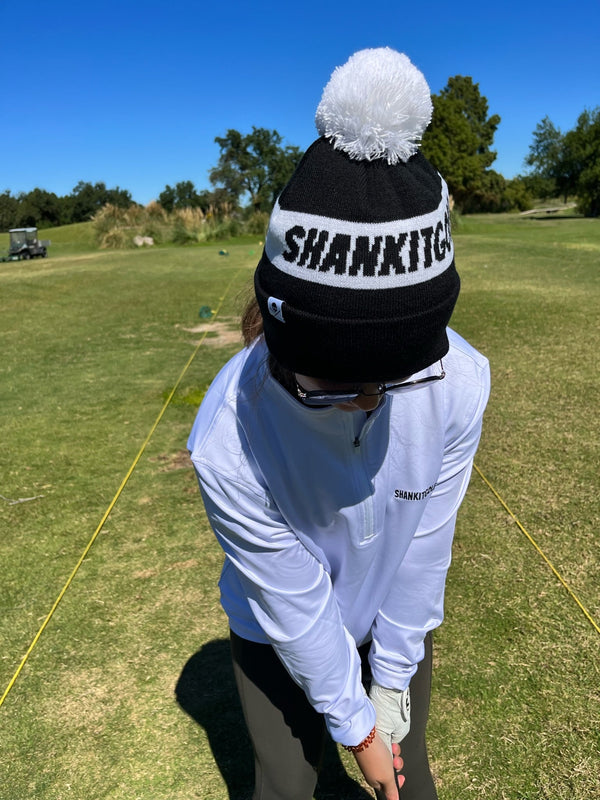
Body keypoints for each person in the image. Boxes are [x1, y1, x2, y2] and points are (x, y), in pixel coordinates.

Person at [188, 47, 490, 800]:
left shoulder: (458, 381)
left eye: (397, 378)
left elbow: (424, 548)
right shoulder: (228, 437)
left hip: (391, 616)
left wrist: (388, 684)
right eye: (334, 385)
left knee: (411, 781)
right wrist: (355, 729)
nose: (369, 402)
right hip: (275, 629)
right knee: (285, 787)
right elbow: (294, 606)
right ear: (278, 341)